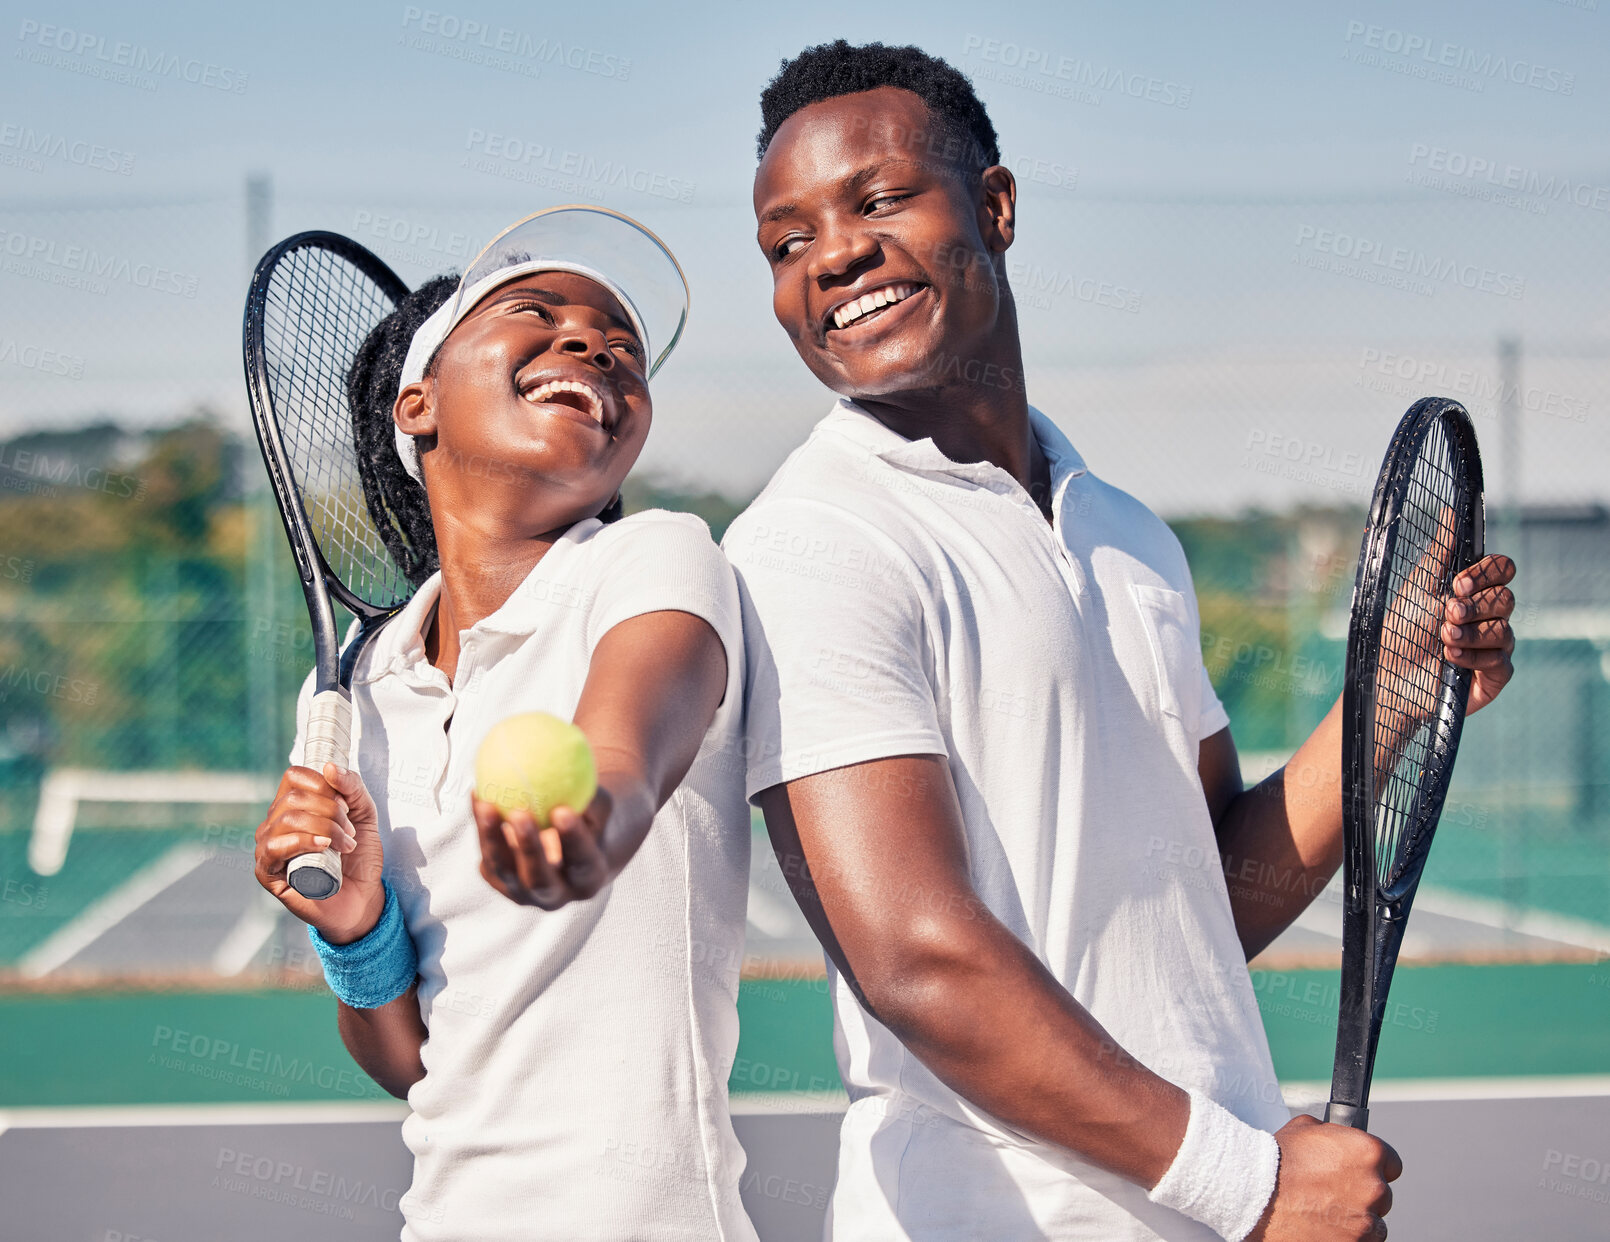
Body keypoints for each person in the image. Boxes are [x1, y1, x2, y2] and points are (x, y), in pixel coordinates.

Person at [725, 42, 1518, 1242]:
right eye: (787, 243)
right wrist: (1247, 1183)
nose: (831, 254)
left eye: (878, 200)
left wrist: (1388, 699)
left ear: (994, 207)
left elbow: (1210, 899)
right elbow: (915, 961)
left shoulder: (1126, 531)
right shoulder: (810, 542)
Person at [253, 207, 758, 1242]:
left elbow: (626, 748)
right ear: (418, 400)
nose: (594, 345)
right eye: (539, 313)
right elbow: (415, 1065)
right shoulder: (351, 693)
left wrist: (591, 822)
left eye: (622, 348)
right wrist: (355, 931)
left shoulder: (654, 559)